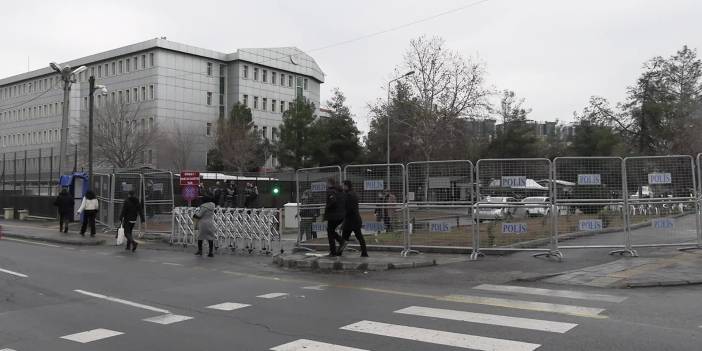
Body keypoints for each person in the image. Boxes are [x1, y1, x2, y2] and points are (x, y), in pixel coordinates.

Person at [338, 181, 368, 257]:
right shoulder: (353, 194)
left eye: (343, 186)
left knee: (344, 238)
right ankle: (364, 252)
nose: (342, 187)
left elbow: (348, 209)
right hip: (355, 219)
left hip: (350, 221)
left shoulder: (348, 195)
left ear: (347, 186)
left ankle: (339, 252)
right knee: (359, 236)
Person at [324, 177, 346, 256]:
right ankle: (337, 246)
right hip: (341, 215)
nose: (326, 185)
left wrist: (327, 206)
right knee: (331, 231)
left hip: (333, 216)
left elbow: (333, 201)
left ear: (330, 183)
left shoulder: (330, 191)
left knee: (330, 231)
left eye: (327, 183)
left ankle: (338, 246)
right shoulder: (340, 191)